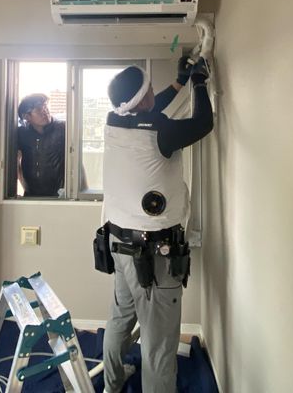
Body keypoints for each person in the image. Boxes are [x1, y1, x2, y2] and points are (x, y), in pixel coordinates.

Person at [95, 57, 213, 393]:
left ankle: (112, 384)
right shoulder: (161, 132)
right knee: (159, 342)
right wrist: (198, 81)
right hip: (153, 255)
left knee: (121, 318)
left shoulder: (114, 120)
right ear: (142, 98)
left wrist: (178, 82)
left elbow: (149, 107)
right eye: (149, 88)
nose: (152, 92)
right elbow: (203, 123)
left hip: (119, 244)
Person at [16, 93, 66, 197]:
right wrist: (24, 185)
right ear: (27, 116)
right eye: (39, 109)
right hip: (31, 195)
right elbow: (16, 161)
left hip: (59, 196)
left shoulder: (63, 129)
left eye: (45, 106)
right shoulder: (22, 134)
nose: (45, 110)